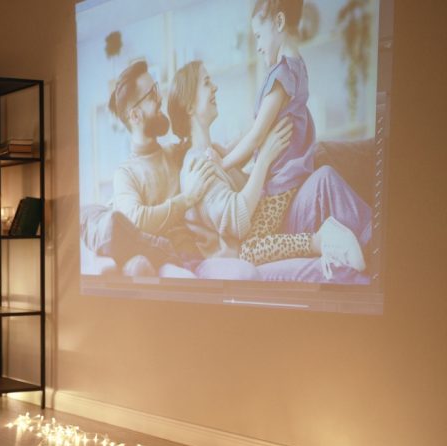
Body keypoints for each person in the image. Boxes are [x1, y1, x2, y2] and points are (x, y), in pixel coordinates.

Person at [167, 60, 373, 284]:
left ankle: (376, 241)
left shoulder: (214, 151)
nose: (215, 87)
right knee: (333, 268)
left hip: (268, 229)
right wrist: (264, 159)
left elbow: (250, 143)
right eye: (207, 83)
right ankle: (374, 257)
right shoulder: (196, 165)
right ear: (189, 106)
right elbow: (237, 221)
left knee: (324, 178)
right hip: (250, 253)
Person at [216, 0, 369, 276]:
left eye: (259, 36)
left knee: (248, 250)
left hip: (281, 182)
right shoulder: (296, 66)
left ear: (279, 22)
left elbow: (255, 137)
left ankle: (322, 239)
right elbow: (253, 130)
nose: (259, 45)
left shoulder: (282, 75)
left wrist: (221, 165)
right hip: (288, 175)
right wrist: (226, 149)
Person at [101, 59, 258, 280]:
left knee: (244, 272)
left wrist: (262, 127)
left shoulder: (175, 153)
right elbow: (135, 220)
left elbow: (226, 152)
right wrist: (187, 198)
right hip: (168, 263)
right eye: (152, 95)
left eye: (156, 89)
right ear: (135, 116)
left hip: (200, 258)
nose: (160, 98)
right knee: (237, 275)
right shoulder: (125, 174)